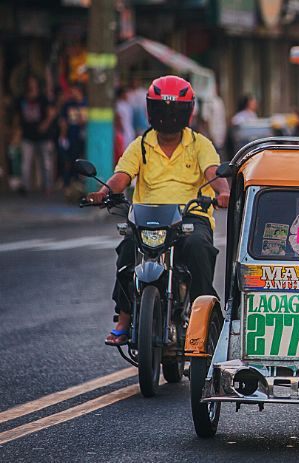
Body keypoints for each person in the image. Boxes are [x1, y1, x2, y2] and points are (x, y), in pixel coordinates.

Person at [86, 75, 230, 345]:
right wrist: (104, 193)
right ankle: (124, 319)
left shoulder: (200, 144)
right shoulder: (140, 145)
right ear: (152, 111)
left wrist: (224, 192)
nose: (168, 116)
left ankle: (203, 321)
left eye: (174, 110)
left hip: (191, 215)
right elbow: (122, 175)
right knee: (128, 250)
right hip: (148, 216)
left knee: (199, 247)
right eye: (163, 109)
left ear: (186, 112)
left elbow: (213, 171)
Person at [16, 75, 57, 194]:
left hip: (43, 136)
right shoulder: (22, 99)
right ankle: (25, 187)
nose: (31, 86)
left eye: (33, 83)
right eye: (29, 83)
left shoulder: (43, 99)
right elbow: (18, 117)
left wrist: (45, 124)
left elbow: (51, 113)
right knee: (25, 162)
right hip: (27, 135)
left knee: (45, 163)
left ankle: (47, 186)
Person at [57, 84, 87, 194]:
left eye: (73, 90)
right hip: (71, 137)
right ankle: (68, 183)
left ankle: (80, 182)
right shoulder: (68, 104)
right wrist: (63, 135)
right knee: (70, 161)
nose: (72, 93)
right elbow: (63, 121)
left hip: (83, 137)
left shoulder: (86, 103)